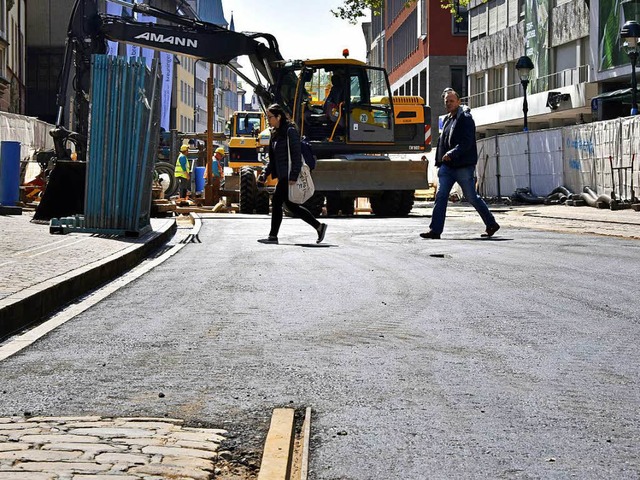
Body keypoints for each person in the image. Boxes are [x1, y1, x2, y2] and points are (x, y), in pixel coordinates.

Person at [420, 89, 500, 239]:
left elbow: (467, 141)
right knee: (441, 195)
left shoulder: (465, 118)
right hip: (447, 167)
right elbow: (443, 142)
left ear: (458, 101)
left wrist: (452, 153)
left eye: (451, 101)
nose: (448, 104)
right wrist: (440, 160)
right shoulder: (447, 120)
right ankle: (435, 231)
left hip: (463, 165)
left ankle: (491, 224)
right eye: (446, 101)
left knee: (471, 197)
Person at [257, 103, 327, 245]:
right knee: (291, 206)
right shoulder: (274, 134)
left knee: (277, 202)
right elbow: (272, 160)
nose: (268, 119)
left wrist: (294, 175)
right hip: (283, 175)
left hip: (288, 176)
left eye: (270, 117)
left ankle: (273, 236)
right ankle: (319, 227)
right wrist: (264, 175)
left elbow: (296, 155)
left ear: (279, 116)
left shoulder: (290, 132)